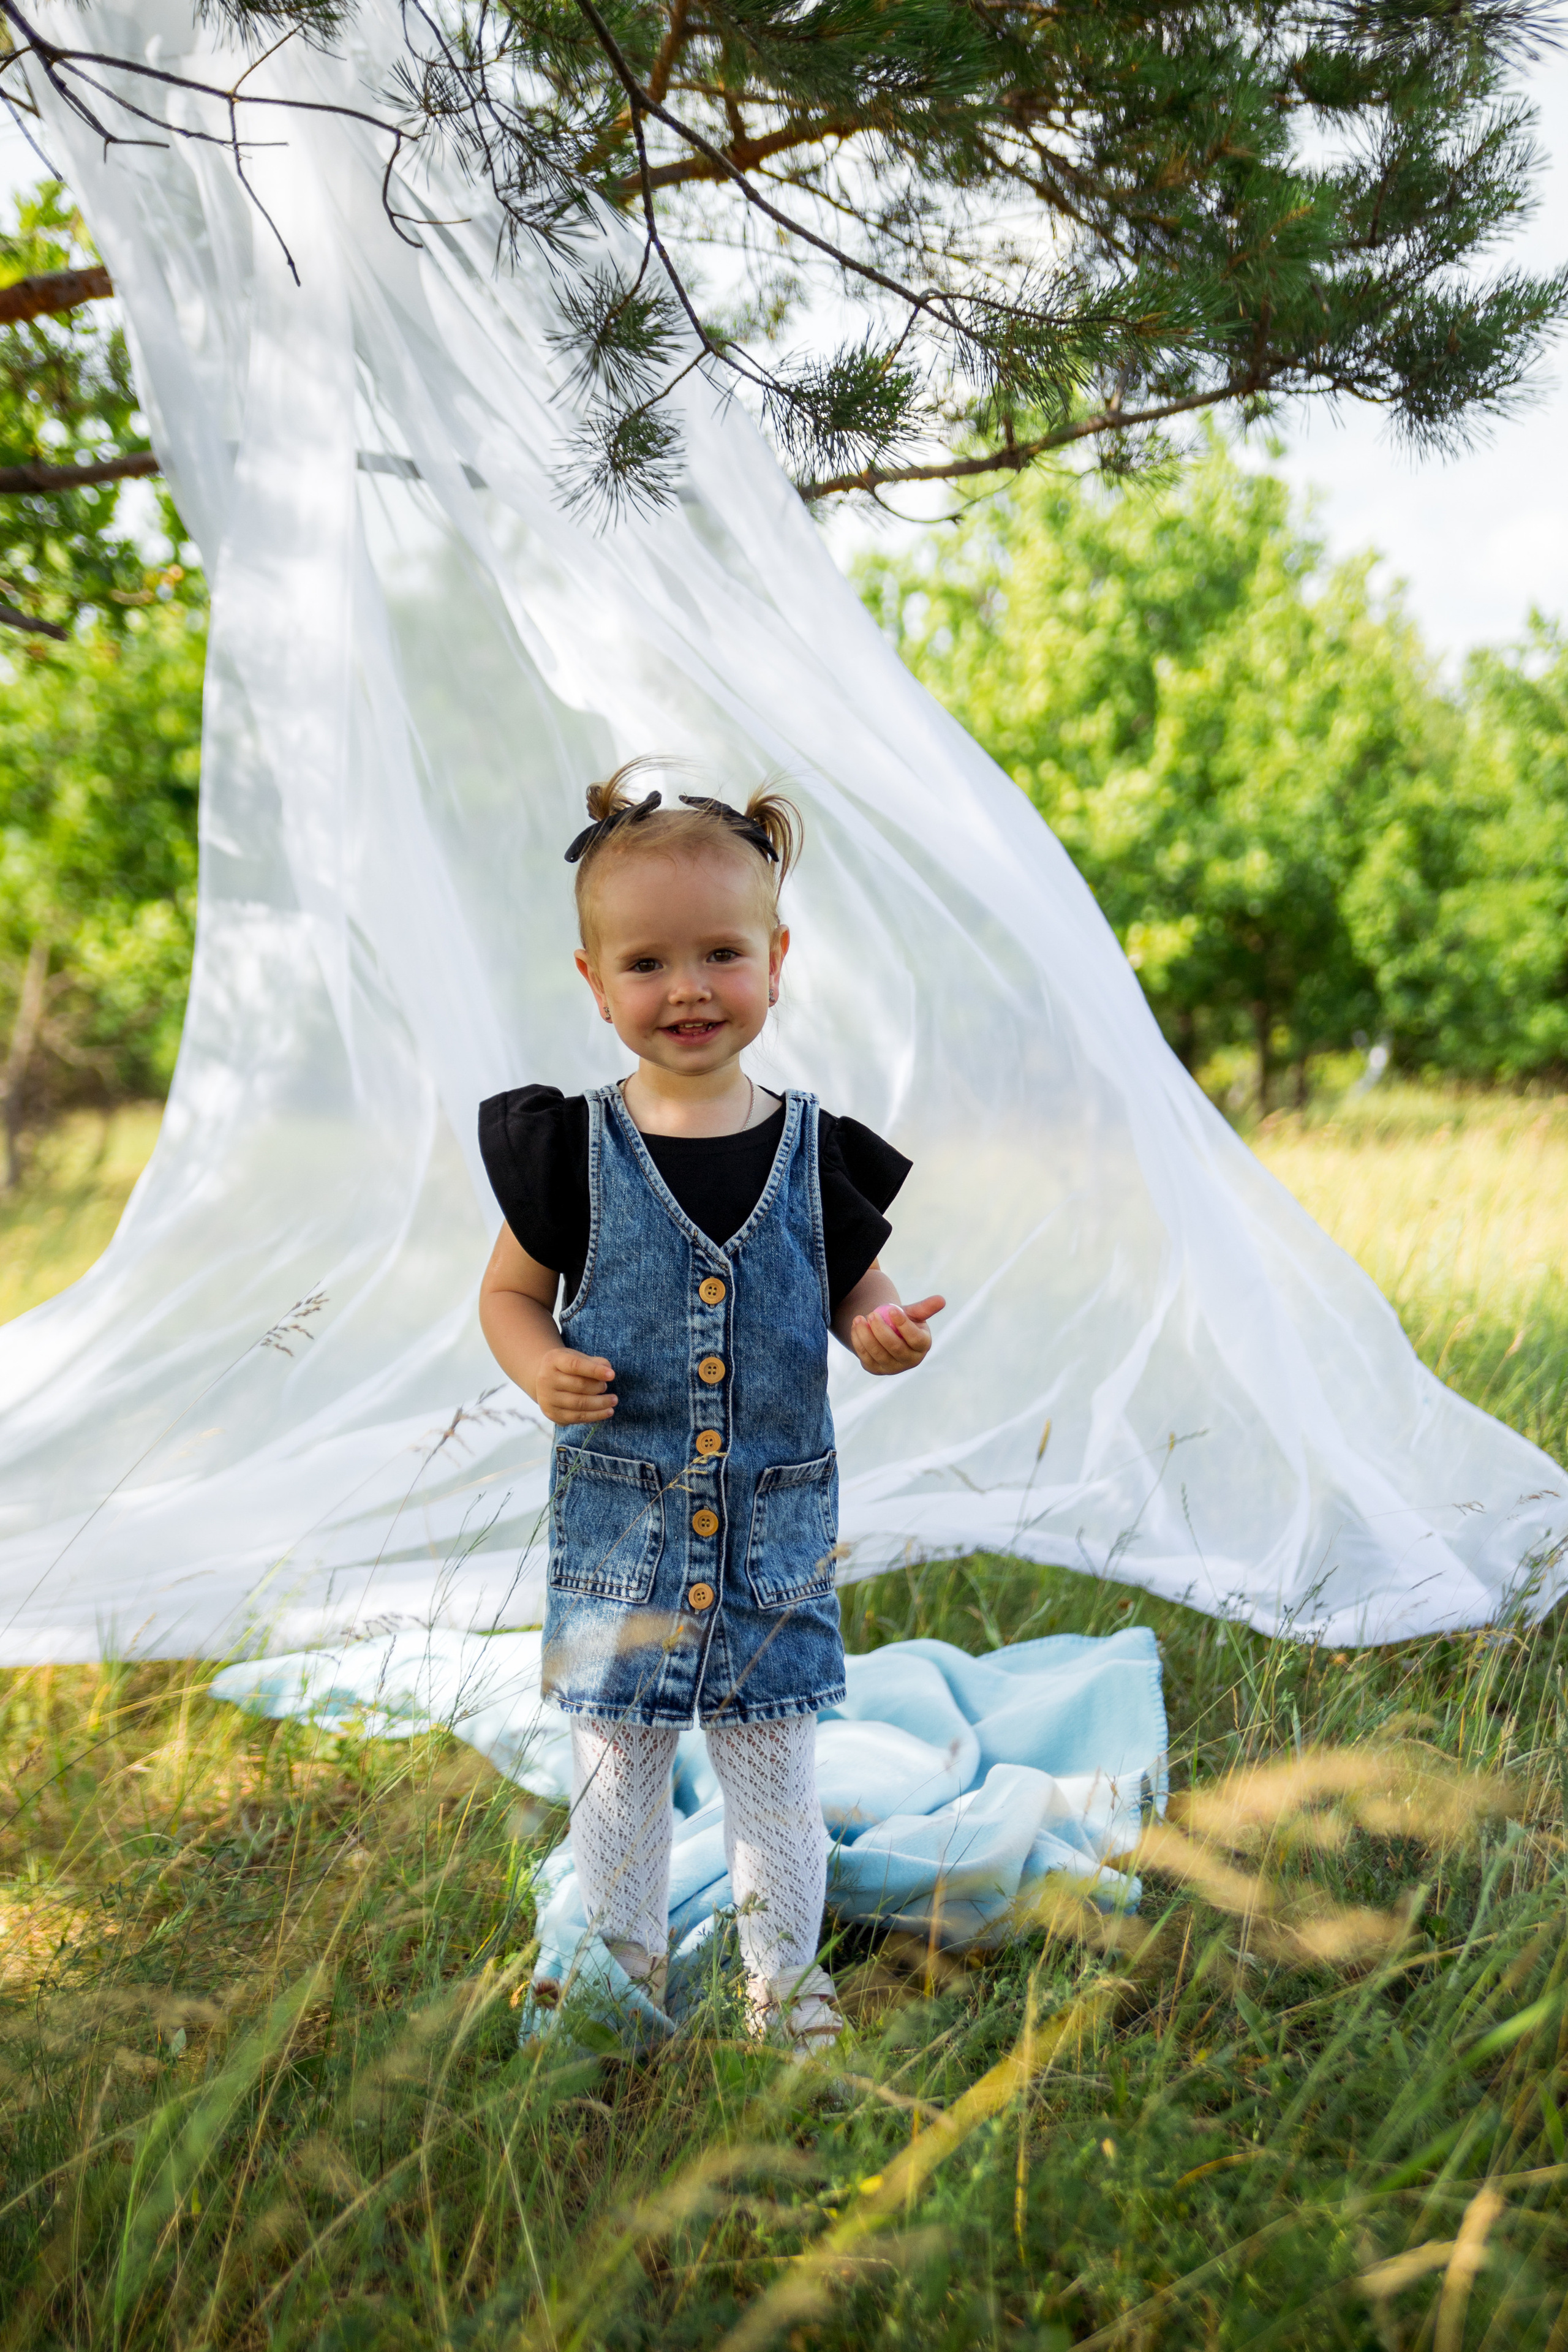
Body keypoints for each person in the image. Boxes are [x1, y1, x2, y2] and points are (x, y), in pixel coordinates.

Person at [476, 764, 944, 2051]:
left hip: (770, 1531)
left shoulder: (815, 1149)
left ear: (777, 960)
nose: (686, 989)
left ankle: (784, 1992)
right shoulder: (567, 1150)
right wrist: (535, 1367)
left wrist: (879, 1329)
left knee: (774, 1782)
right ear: (593, 981)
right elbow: (509, 1297)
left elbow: (856, 1284)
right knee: (615, 1776)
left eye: (721, 954)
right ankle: (617, 1993)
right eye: (647, 963)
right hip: (621, 1525)